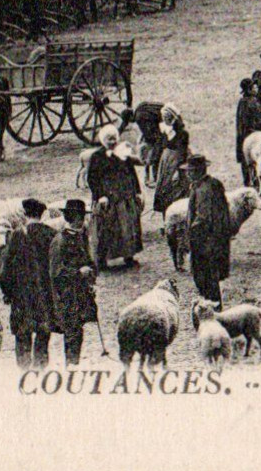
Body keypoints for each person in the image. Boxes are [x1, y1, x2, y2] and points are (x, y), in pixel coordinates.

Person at [0, 198, 55, 368]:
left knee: (22, 336)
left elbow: (4, 270)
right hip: (45, 296)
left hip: (21, 298)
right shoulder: (51, 234)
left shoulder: (17, 235)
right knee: (43, 336)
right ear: (42, 213)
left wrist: (7, 293)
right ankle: (40, 372)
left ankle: (24, 375)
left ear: (25, 214)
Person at [87, 124, 143, 268]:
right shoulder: (96, 157)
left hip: (124, 196)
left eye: (114, 139)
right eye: (108, 139)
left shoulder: (123, 153)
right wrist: (100, 195)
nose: (112, 142)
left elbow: (132, 173)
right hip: (107, 198)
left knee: (128, 227)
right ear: (103, 140)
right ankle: (102, 259)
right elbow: (92, 179)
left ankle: (128, 256)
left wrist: (137, 192)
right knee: (105, 228)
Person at [49, 199, 97, 365]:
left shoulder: (81, 237)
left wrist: (91, 279)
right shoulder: (59, 241)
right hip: (66, 295)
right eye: (81, 216)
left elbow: (89, 261)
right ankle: (71, 366)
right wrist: (78, 273)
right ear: (74, 217)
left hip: (81, 292)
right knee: (72, 330)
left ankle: (73, 363)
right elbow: (56, 272)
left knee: (78, 330)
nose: (83, 220)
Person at [186, 155, 234, 301]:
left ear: (197, 171)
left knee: (205, 279)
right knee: (212, 277)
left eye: (190, 171)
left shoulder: (202, 190)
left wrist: (189, 235)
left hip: (204, 241)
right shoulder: (214, 183)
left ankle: (213, 311)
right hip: (218, 238)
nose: (188, 174)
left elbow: (203, 217)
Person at [150, 105, 191, 217]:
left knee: (178, 189)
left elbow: (182, 153)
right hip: (166, 164)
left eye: (167, 117)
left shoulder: (182, 133)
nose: (165, 120)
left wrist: (178, 169)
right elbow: (159, 148)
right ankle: (167, 217)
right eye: (163, 118)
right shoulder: (164, 131)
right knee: (165, 190)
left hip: (177, 163)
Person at [234, 78, 261, 189]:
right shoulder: (252, 102)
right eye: (254, 87)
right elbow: (259, 118)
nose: (256, 88)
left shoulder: (242, 102)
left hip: (243, 135)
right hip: (252, 135)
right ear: (249, 89)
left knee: (246, 162)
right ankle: (257, 184)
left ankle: (248, 182)